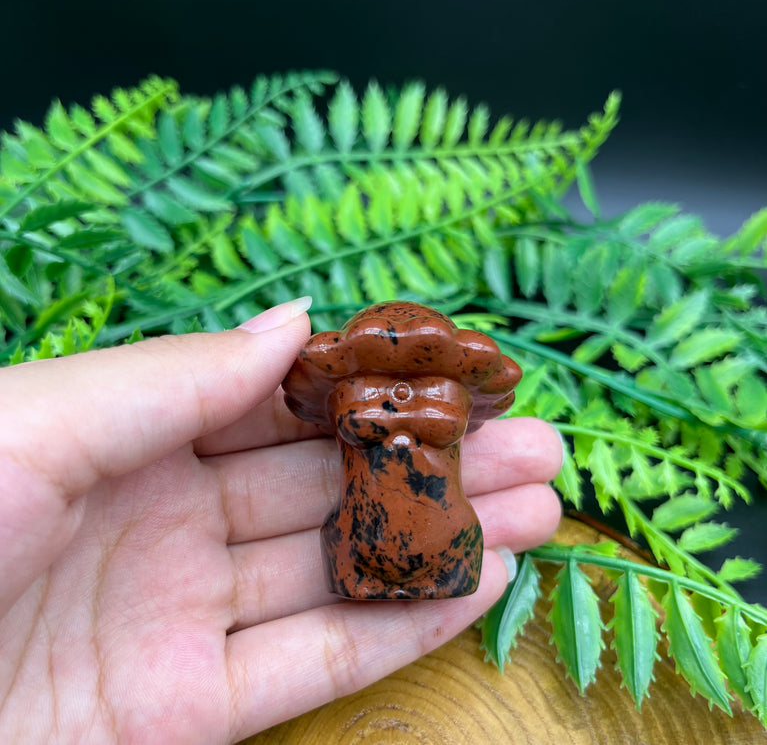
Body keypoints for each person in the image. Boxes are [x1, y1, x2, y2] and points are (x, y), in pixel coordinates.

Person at [0, 297, 563, 743]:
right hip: (358, 546)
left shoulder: (452, 404)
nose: (402, 408)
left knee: (448, 533)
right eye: (379, 394)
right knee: (353, 537)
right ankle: (364, 571)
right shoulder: (349, 403)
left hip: (446, 540)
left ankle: (433, 569)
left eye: (425, 393)